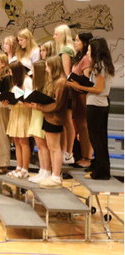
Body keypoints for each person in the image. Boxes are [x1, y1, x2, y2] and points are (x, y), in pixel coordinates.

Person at [67, 37, 115, 180]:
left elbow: (98, 88)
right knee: (98, 139)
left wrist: (78, 86)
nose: (87, 53)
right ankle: (99, 168)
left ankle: (101, 171)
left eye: (89, 50)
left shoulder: (100, 66)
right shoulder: (102, 65)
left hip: (97, 105)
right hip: (98, 104)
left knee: (97, 139)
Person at [28, 56, 69, 188]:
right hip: (48, 116)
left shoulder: (61, 82)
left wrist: (39, 107)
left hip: (55, 118)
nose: (46, 69)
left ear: (54, 67)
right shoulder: (54, 81)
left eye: (47, 66)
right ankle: (52, 174)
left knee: (55, 148)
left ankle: (56, 176)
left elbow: (57, 104)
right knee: (51, 147)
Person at [68, 32, 93, 168]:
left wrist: (76, 83)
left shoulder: (86, 59)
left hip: (83, 96)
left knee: (84, 127)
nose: (75, 42)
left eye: (77, 40)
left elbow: (87, 80)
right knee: (80, 127)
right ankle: (83, 155)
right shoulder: (79, 57)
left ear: (84, 43)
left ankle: (88, 157)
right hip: (76, 95)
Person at [53, 24, 76, 165]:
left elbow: (66, 73)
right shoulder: (64, 49)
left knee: (67, 121)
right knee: (65, 121)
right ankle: (65, 151)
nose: (54, 37)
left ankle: (68, 152)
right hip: (63, 87)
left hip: (65, 89)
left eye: (56, 34)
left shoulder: (66, 50)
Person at [5, 61, 32, 178]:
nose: (10, 74)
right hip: (15, 111)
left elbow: (29, 98)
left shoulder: (27, 81)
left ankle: (25, 169)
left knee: (23, 141)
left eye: (11, 71)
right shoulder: (16, 82)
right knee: (16, 141)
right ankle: (18, 167)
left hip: (24, 112)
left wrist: (20, 100)